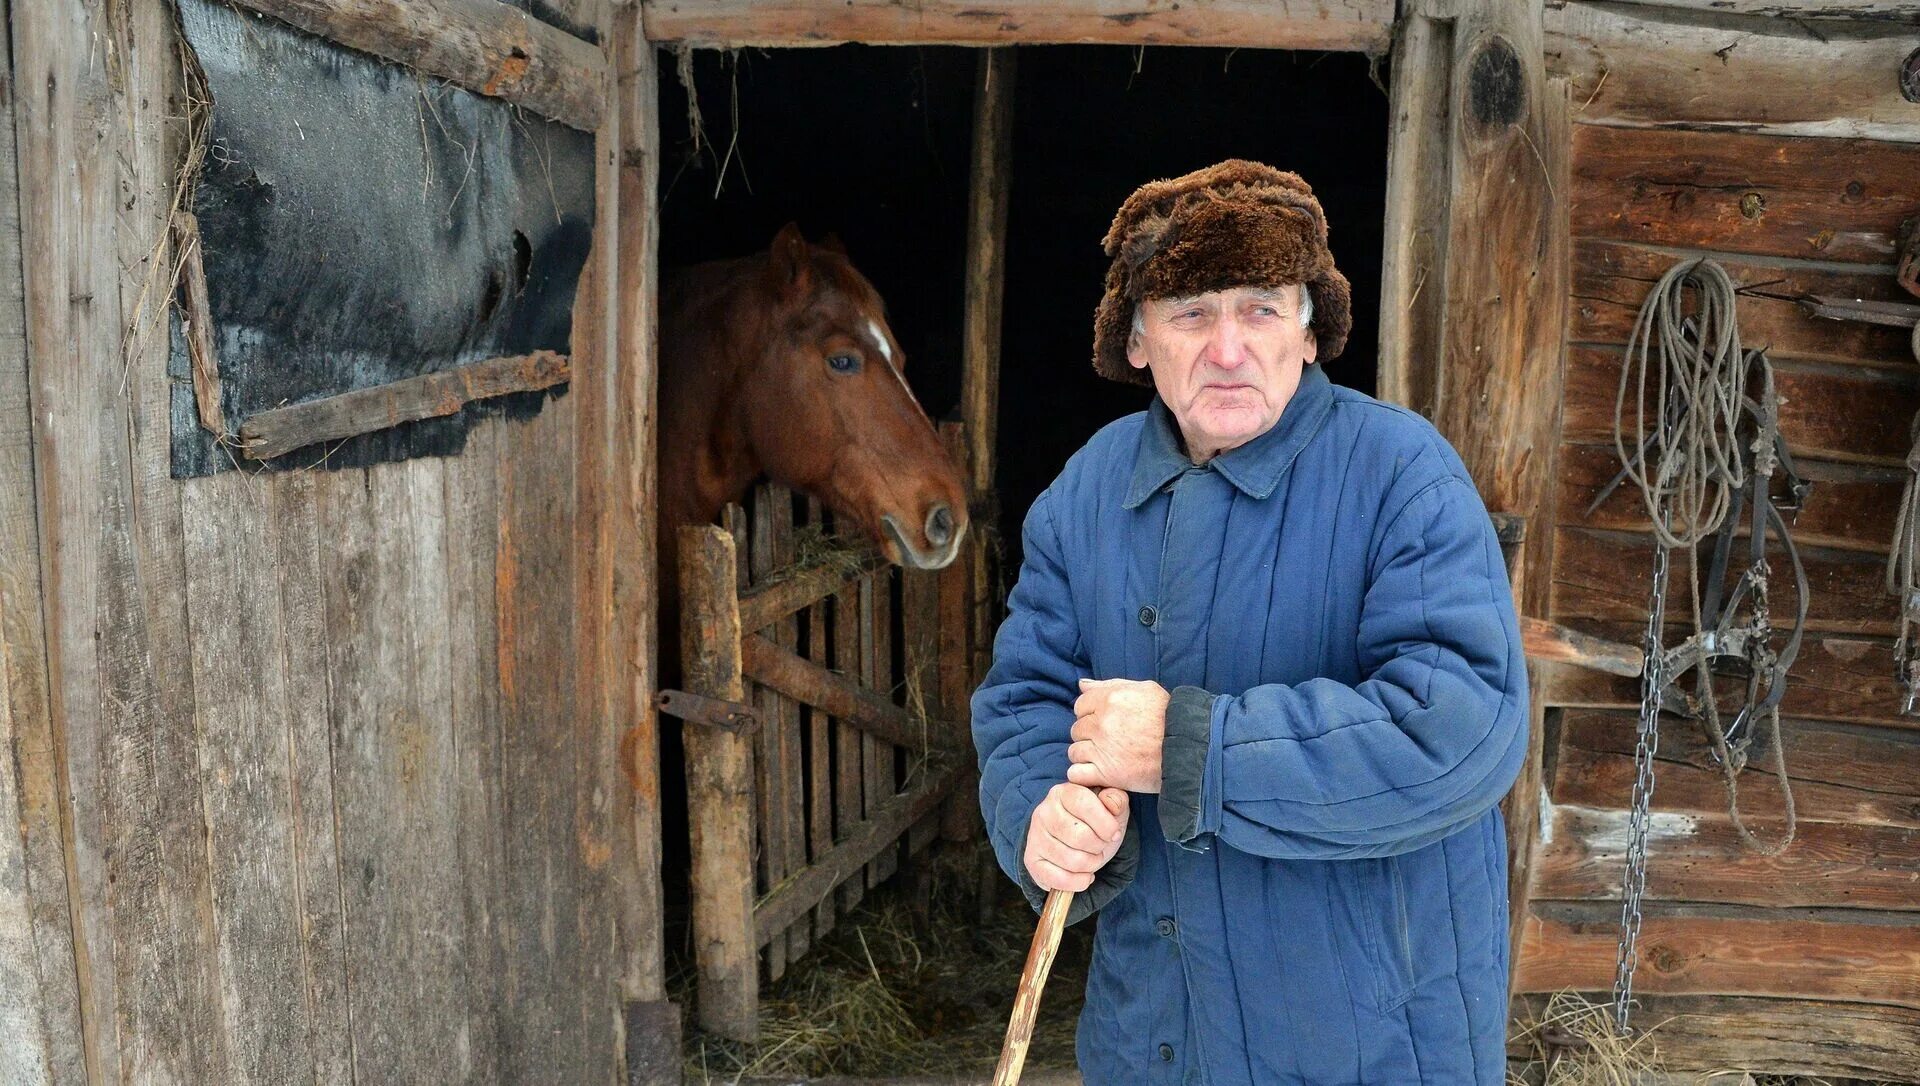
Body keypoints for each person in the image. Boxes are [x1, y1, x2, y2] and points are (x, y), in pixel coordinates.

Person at [972, 160, 1528, 1085]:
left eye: (1262, 308)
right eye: (1191, 313)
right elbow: (1025, 699)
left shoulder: (1400, 475)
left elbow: (1459, 730)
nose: (1227, 347)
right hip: (1153, 1040)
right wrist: (1039, 813)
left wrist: (1190, 752)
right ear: (1138, 341)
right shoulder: (1087, 492)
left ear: (1311, 333)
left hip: (1368, 1042)